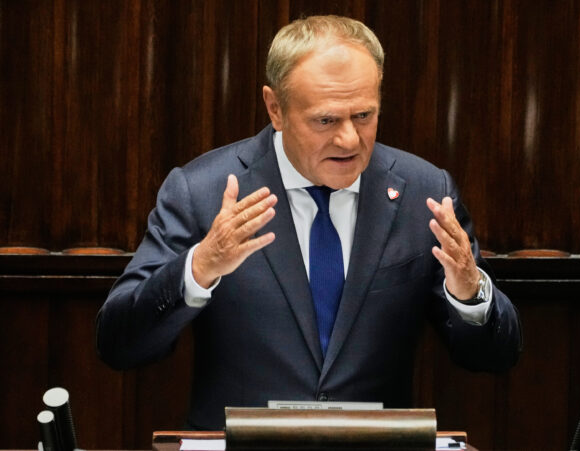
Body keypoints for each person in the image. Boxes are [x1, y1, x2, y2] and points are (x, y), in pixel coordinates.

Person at [96, 15, 522, 430]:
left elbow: (495, 357)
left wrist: (470, 293)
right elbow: (118, 345)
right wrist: (199, 268)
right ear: (275, 108)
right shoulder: (201, 192)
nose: (349, 139)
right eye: (325, 120)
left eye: (364, 116)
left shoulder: (423, 194)